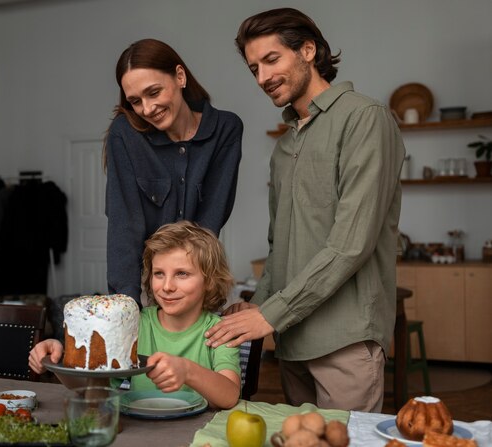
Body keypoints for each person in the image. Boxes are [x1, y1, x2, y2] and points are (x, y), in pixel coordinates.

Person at [204, 8, 405, 412]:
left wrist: (270, 315)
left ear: (308, 50)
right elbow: (281, 245)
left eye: (272, 60)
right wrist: (258, 303)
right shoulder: (284, 147)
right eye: (254, 68)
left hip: (344, 340)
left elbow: (351, 244)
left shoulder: (365, 119)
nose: (262, 78)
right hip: (292, 339)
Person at [29, 221, 241, 409]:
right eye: (159, 274)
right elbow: (93, 387)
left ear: (210, 280)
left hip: (197, 434)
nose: (167, 286)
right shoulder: (134, 325)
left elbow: (229, 396)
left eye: (182, 274)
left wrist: (187, 371)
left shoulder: (220, 331)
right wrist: (56, 362)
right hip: (140, 431)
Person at [103, 38, 243, 305]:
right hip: (146, 282)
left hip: (196, 277)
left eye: (154, 92)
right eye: (135, 101)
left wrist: (187, 286)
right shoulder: (126, 134)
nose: (147, 109)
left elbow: (211, 218)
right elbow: (124, 225)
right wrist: (127, 306)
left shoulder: (226, 129)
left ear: (179, 76)